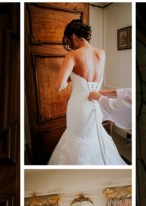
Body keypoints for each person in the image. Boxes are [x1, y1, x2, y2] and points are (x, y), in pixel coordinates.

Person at [48, 19, 126, 165]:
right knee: (93, 137)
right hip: (96, 104)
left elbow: (59, 86)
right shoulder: (101, 53)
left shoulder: (73, 55)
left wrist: (70, 78)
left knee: (77, 139)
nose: (70, 44)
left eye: (68, 40)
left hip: (79, 108)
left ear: (73, 36)